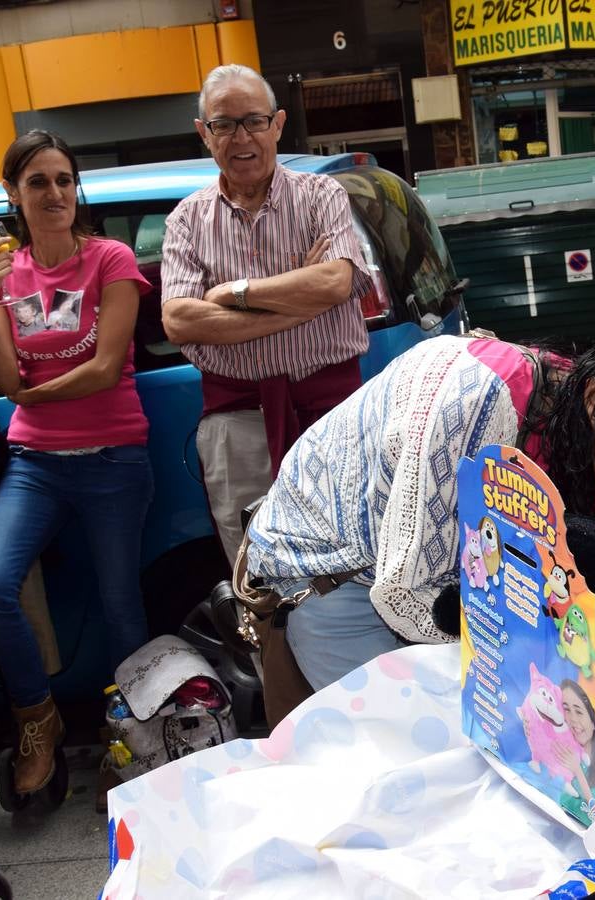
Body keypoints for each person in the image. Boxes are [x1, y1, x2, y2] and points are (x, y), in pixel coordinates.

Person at [245, 311, 595, 701]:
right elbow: (405, 596)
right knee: (421, 774)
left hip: (447, 589)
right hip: (343, 583)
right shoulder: (477, 400)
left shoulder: (582, 419)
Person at [0, 130, 154, 797]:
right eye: (38, 182)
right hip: (36, 464)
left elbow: (105, 369)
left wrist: (28, 394)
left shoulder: (110, 259)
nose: (55, 194)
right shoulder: (6, 274)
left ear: (78, 188)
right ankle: (37, 722)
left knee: (119, 604)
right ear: (13, 194)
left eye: (64, 180)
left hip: (113, 461)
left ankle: (134, 737)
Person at [160, 64, 373, 567]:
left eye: (254, 121)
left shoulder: (323, 196)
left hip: (332, 414)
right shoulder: (186, 220)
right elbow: (180, 322)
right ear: (203, 133)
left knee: (354, 561)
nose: (241, 137)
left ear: (277, 125)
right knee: (254, 572)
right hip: (238, 424)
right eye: (223, 124)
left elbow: (336, 282)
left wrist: (232, 293)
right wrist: (297, 301)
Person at [556, 678, 595, 823]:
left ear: (594, 722)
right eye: (566, 709)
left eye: (579, 711)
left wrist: (577, 771)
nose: (572, 719)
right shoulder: (563, 753)